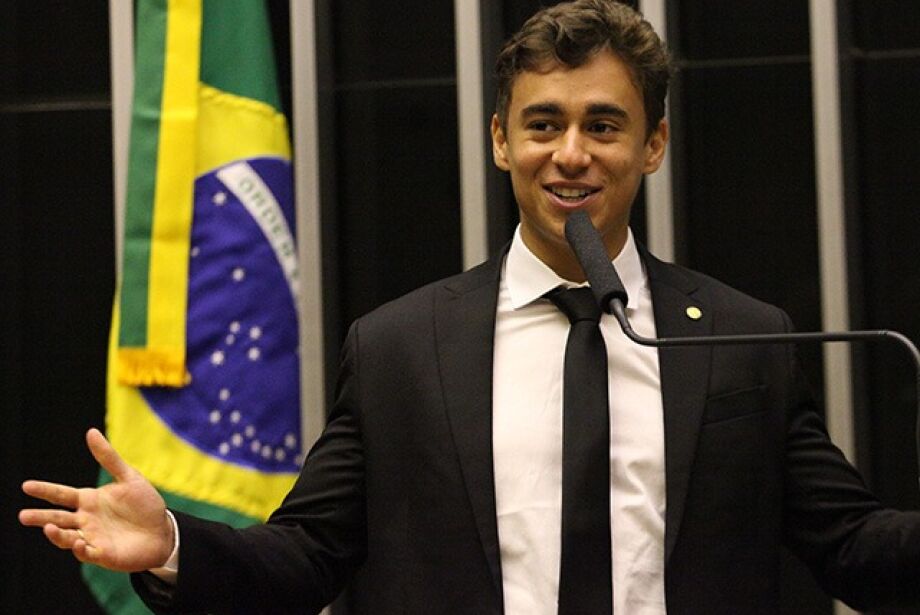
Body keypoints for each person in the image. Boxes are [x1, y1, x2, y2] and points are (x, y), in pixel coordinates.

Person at [19, 1, 920, 613]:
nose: (571, 153)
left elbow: (851, 544)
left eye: (604, 125)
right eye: (543, 123)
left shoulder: (742, 338)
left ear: (653, 145)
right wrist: (175, 542)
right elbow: (305, 556)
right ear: (500, 139)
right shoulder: (402, 348)